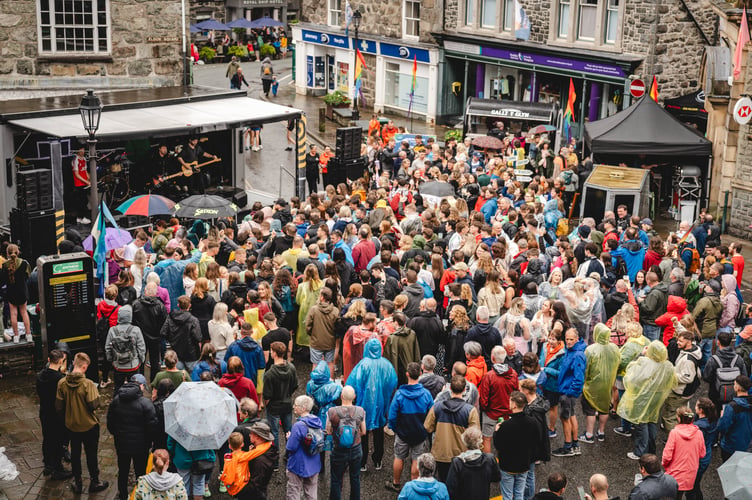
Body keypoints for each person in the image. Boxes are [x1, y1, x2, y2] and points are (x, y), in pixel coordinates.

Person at [55, 352, 110, 494]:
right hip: (89, 425)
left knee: (75, 454)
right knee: (91, 454)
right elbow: (93, 405)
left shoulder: (62, 383)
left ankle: (78, 482)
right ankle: (94, 481)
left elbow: (59, 407)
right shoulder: (88, 384)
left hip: (71, 425)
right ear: (84, 367)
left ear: (74, 363)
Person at [618, 341, 677, 460]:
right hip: (657, 398)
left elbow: (632, 377)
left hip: (642, 397)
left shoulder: (644, 362)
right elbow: (672, 382)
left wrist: (641, 354)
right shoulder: (668, 366)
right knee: (652, 421)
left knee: (641, 423)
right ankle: (651, 449)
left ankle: (640, 452)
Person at [346, 337, 398, 472]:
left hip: (363, 403)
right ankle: (378, 460)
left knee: (363, 431)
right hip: (381, 403)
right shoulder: (386, 364)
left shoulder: (362, 365)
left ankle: (362, 462)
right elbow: (393, 382)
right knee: (379, 430)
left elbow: (352, 383)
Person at [107, 373, 158, 500]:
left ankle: (122, 495)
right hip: (141, 447)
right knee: (140, 472)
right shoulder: (145, 403)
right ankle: (140, 494)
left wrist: (118, 435)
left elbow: (110, 423)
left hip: (122, 444)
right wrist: (148, 441)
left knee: (123, 471)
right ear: (141, 386)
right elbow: (152, 427)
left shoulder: (116, 400)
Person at [386, 362, 434, 492]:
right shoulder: (426, 394)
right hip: (419, 433)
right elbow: (432, 414)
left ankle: (396, 483)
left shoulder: (400, 394)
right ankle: (414, 486)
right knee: (416, 460)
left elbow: (392, 416)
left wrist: (395, 429)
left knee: (399, 457)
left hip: (403, 433)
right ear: (420, 374)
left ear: (407, 374)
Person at [424, 375, 480, 481]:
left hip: (441, 454)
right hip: (461, 455)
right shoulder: (470, 410)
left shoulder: (437, 407)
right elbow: (475, 435)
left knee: (443, 481)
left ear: (450, 388)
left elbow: (428, 427)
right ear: (464, 390)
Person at [494, 391, 539, 500]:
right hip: (524, 464)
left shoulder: (505, 426)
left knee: (507, 495)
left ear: (514, 405)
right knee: (519, 493)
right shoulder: (533, 422)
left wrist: (496, 432)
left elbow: (498, 445)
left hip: (508, 466)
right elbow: (536, 441)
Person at [580, 323, 620, 444]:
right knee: (604, 408)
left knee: (591, 409)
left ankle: (589, 434)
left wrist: (584, 381)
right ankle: (601, 432)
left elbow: (585, 368)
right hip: (608, 383)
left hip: (592, 384)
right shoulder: (614, 348)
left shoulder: (590, 349)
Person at [36, 349, 72, 480]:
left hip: (44, 412)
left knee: (47, 438)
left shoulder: (40, 376)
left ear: (48, 360)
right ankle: (57, 468)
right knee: (57, 440)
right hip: (56, 414)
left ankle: (48, 464)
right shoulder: (59, 379)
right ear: (61, 361)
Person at [327, 385, 367, 500]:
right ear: (354, 397)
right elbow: (364, 431)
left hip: (338, 450)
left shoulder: (332, 411)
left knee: (336, 479)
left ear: (341, 396)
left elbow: (329, 431)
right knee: (355, 478)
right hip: (356, 449)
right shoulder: (360, 411)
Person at [551, 328, 586, 457]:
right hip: (568, 391)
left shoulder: (577, 355)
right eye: (567, 339)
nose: (569, 342)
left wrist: (569, 392)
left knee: (565, 418)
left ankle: (567, 447)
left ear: (577, 339)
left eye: (571, 339)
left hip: (567, 392)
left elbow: (579, 378)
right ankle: (575, 445)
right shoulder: (571, 351)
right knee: (571, 416)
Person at [478, 345, 518, 453]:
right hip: (507, 412)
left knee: (486, 438)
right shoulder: (513, 374)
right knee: (507, 438)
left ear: (493, 358)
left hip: (491, 413)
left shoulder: (489, 376)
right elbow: (516, 394)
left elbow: (484, 397)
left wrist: (484, 408)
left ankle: (488, 463)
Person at [661, 329, 702, 432]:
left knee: (669, 415)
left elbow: (687, 378)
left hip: (680, 392)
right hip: (687, 391)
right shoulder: (694, 348)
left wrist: (671, 374)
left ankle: (673, 437)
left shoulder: (688, 360)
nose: (677, 343)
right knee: (681, 411)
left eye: (680, 341)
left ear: (688, 342)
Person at [662, 406, 706, 499]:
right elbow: (702, 454)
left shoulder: (674, 433)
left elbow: (667, 456)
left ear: (679, 418)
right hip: (690, 472)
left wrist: (665, 465)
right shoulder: (699, 433)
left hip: (675, 471)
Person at [445, 426, 499, 500]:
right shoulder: (490, 459)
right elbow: (496, 477)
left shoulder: (457, 462)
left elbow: (451, 487)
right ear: (480, 441)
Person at [263, 341, 299, 451]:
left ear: (274, 353)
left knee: (274, 433)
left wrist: (267, 405)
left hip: (274, 407)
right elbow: (295, 385)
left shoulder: (269, 374)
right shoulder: (291, 368)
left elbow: (267, 395)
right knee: (288, 430)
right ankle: (290, 454)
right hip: (287, 404)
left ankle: (275, 460)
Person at [286, 395, 323, 500]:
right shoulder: (317, 421)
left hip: (298, 464)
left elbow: (291, 447)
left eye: (296, 405)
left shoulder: (299, 425)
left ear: (302, 409)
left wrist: (289, 438)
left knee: (294, 491)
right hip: (314, 463)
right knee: (311, 492)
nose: (293, 407)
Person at [105, 305, 146, 391]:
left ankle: (118, 403)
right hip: (133, 365)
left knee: (118, 388)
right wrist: (141, 360)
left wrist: (111, 360)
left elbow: (108, 348)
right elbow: (141, 348)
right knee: (135, 388)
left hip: (118, 365)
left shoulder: (112, 330)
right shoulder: (136, 330)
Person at [131, 282, 167, 382]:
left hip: (140, 338)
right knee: (155, 362)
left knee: (140, 361)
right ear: (156, 293)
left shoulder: (135, 304)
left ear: (145, 291)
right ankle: (154, 382)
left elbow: (132, 321)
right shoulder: (160, 306)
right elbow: (165, 322)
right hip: (155, 339)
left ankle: (140, 382)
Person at [161, 296, 202, 372]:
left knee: (178, 378)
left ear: (178, 305)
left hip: (176, 353)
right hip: (191, 354)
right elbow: (198, 337)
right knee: (192, 379)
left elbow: (163, 332)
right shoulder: (193, 320)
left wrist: (172, 339)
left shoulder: (171, 317)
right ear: (189, 305)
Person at [239, 421, 279, 500]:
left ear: (258, 437)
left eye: (251, 433)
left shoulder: (260, 460)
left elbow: (254, 485)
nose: (249, 435)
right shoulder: (263, 450)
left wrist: (239, 491)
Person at [717, 375, 752, 461]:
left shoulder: (731, 407)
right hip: (748, 445)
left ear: (737, 388)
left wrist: (722, 417)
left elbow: (722, 427)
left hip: (731, 446)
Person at [0, 244, 31, 343]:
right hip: (22, 291)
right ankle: (28, 334)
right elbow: (27, 276)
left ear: (7, 254)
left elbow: (3, 280)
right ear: (18, 252)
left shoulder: (5, 266)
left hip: (11, 292)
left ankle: (16, 336)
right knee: (24, 312)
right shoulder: (24, 263)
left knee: (13, 314)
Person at [306, 287, 340, 374]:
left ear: (322, 297)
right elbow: (338, 327)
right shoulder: (335, 311)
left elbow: (308, 326)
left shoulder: (314, 310)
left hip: (316, 342)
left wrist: (312, 334)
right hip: (330, 342)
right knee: (330, 363)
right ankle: (331, 382)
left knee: (316, 364)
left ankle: (315, 385)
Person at [383, 312, 421, 386]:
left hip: (396, 373)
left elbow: (386, 357)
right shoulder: (412, 334)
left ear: (396, 322)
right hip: (410, 371)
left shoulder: (392, 338)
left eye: (392, 322)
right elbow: (416, 353)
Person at [226, 321, 266, 387]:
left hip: (235, 381)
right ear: (252, 332)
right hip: (252, 382)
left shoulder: (233, 347)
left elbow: (227, 363)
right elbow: (261, 366)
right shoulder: (258, 349)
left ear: (240, 332)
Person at [71, 147, 91, 224]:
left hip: (84, 183)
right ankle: (80, 217)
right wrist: (86, 181)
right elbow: (76, 174)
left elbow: (85, 170)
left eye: (83, 150)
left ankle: (81, 217)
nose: (82, 152)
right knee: (81, 201)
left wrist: (89, 178)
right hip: (79, 184)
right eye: (81, 150)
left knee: (85, 200)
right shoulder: (75, 160)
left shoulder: (84, 159)